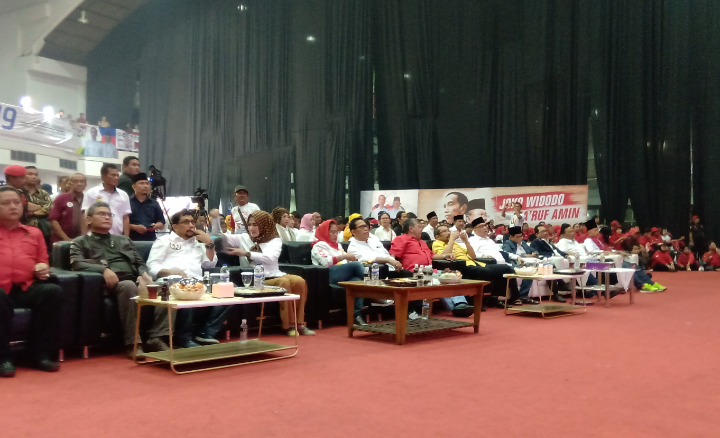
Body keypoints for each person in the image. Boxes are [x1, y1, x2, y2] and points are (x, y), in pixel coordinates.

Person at [71, 202, 169, 359]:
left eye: (109, 215)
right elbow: (77, 263)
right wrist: (103, 270)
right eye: (101, 214)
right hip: (109, 284)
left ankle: (158, 337)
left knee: (165, 287)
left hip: (133, 279)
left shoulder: (124, 240)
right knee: (128, 286)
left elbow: (140, 263)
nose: (106, 217)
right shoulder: (81, 241)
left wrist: (142, 274)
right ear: (88, 219)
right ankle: (133, 343)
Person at [0, 186, 64, 377]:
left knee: (52, 291)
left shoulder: (34, 232)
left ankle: (39, 354)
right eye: (6, 203)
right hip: (1, 290)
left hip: (24, 287)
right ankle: (3, 357)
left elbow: (42, 260)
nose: (13, 207)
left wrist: (42, 268)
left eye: (16, 203)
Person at [224, 211, 314, 336]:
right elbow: (222, 238)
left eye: (256, 224)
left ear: (264, 224)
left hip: (275, 274)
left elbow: (270, 258)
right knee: (284, 282)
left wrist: (246, 253)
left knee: (299, 281)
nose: (252, 228)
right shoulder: (244, 238)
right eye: (249, 225)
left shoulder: (275, 240)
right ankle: (289, 326)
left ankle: (299, 324)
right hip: (257, 279)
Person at [146, 209, 224, 348]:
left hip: (198, 282)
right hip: (171, 281)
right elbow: (152, 267)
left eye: (193, 222)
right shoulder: (164, 241)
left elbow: (210, 264)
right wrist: (172, 272)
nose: (191, 225)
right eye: (186, 222)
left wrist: (209, 244)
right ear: (175, 226)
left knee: (227, 288)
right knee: (184, 287)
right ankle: (184, 338)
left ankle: (206, 332)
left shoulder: (198, 242)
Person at [311, 219, 367, 326]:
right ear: (324, 232)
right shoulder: (318, 245)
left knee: (356, 281)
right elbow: (324, 262)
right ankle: (374, 289)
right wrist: (344, 257)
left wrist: (349, 259)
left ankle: (356, 316)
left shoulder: (338, 245)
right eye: (332, 232)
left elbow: (345, 261)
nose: (335, 234)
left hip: (342, 273)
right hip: (328, 274)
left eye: (336, 232)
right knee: (357, 266)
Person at [465, 218, 522, 307]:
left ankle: (497, 298)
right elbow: (471, 254)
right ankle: (515, 297)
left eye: (485, 225)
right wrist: (483, 255)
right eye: (481, 226)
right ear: (474, 229)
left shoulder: (490, 240)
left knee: (509, 269)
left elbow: (502, 252)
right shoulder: (472, 240)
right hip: (485, 265)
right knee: (506, 269)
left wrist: (516, 256)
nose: (485, 228)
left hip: (499, 264)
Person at [429, 225, 478, 316]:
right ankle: (457, 307)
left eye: (448, 230)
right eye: (445, 231)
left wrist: (466, 241)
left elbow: (473, 257)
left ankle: (461, 304)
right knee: (440, 278)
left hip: (473, 263)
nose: (448, 233)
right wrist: (452, 239)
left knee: (446, 276)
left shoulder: (456, 244)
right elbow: (443, 256)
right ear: (437, 237)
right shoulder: (437, 243)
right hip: (431, 269)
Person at [81, 163, 131, 236]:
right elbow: (85, 215)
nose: (116, 178)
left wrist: (126, 237)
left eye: (117, 175)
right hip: (94, 237)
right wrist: (84, 236)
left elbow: (125, 218)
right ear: (103, 177)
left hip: (117, 236)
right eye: (113, 175)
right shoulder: (91, 193)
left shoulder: (123, 195)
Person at [49, 173, 86, 243]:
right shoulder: (61, 198)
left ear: (85, 184)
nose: (79, 184)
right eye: (76, 181)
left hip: (81, 242)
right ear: (70, 184)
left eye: (82, 181)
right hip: (61, 241)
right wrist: (66, 238)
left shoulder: (87, 199)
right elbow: (53, 220)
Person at [128, 173, 166, 241]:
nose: (145, 186)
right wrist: (134, 227)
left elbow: (162, 223)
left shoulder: (154, 203)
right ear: (133, 186)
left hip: (150, 240)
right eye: (141, 183)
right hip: (132, 240)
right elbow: (120, 223)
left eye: (147, 183)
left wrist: (156, 226)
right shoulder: (127, 202)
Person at [22, 166, 53, 248]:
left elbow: (49, 208)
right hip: (23, 231)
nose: (34, 176)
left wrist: (32, 213)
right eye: (30, 174)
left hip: (43, 231)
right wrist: (41, 207)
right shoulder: (18, 192)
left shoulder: (43, 193)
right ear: (22, 176)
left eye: (36, 174)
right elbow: (22, 208)